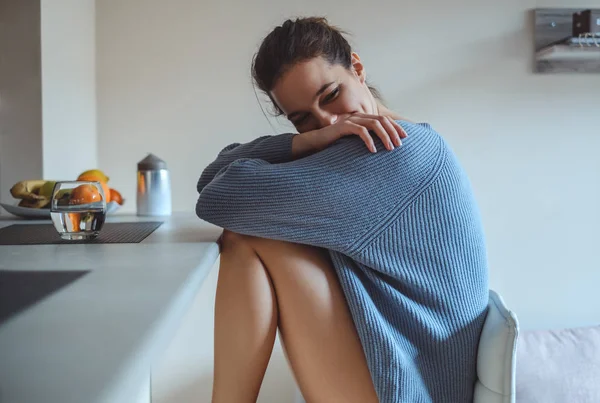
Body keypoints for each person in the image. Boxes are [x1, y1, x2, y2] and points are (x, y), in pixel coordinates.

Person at [196, 17, 489, 403]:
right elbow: (213, 179)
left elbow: (218, 198)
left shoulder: (391, 151)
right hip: (406, 371)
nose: (328, 121)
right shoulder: (391, 140)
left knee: (247, 237)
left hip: (416, 389)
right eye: (302, 119)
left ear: (358, 68)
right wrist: (306, 142)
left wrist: (307, 141)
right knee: (249, 234)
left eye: (331, 95)